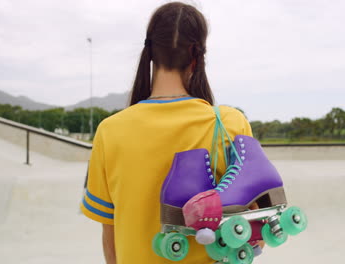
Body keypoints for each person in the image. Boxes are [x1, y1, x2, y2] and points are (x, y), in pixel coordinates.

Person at [80, 2, 253, 263]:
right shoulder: (230, 124)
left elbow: (110, 235)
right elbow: (251, 232)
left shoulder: (110, 131)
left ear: (150, 54)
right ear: (197, 55)